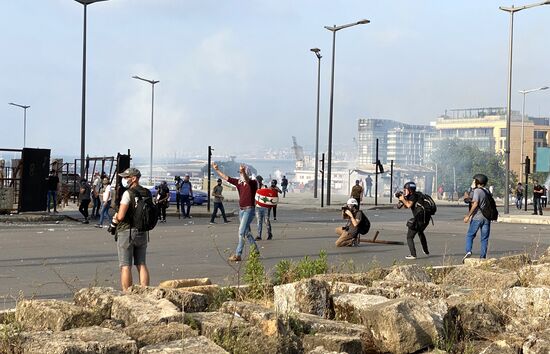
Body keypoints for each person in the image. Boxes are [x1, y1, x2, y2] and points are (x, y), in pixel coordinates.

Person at [110, 168, 150, 291]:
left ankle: (128, 294)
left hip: (127, 232)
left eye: (126, 177)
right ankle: (145, 291)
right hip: (143, 231)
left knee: (125, 266)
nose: (124, 180)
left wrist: (114, 222)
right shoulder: (147, 192)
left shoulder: (128, 193)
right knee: (141, 263)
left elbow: (121, 216)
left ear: (134, 178)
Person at [212, 162, 259, 262]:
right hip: (241, 210)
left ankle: (238, 254)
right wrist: (217, 170)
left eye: (241, 173)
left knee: (241, 232)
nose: (240, 175)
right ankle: (255, 250)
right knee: (246, 232)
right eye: (240, 173)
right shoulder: (239, 183)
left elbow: (247, 179)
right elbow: (226, 178)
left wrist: (244, 172)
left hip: (249, 209)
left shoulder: (253, 183)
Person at [462, 174, 492, 262]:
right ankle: (482, 257)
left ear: (478, 182)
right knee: (484, 238)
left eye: (474, 180)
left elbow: (475, 203)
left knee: (470, 235)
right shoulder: (487, 191)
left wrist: (468, 216)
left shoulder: (477, 191)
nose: (473, 182)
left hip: (477, 217)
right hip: (486, 218)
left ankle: (468, 251)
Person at [397, 181, 430, 260]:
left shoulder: (413, 196)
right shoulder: (418, 194)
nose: (404, 191)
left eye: (405, 190)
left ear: (410, 190)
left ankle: (413, 255)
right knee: (420, 232)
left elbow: (408, 205)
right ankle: (426, 251)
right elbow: (402, 206)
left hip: (419, 219)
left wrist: (403, 199)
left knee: (409, 237)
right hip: (426, 219)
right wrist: (401, 200)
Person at [254, 176, 272, 240]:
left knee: (266, 221)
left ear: (261, 181)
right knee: (259, 221)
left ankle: (269, 233)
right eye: (257, 181)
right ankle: (259, 235)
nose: (258, 182)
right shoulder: (254, 188)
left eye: (259, 181)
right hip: (258, 207)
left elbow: (269, 196)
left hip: (265, 207)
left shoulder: (264, 187)